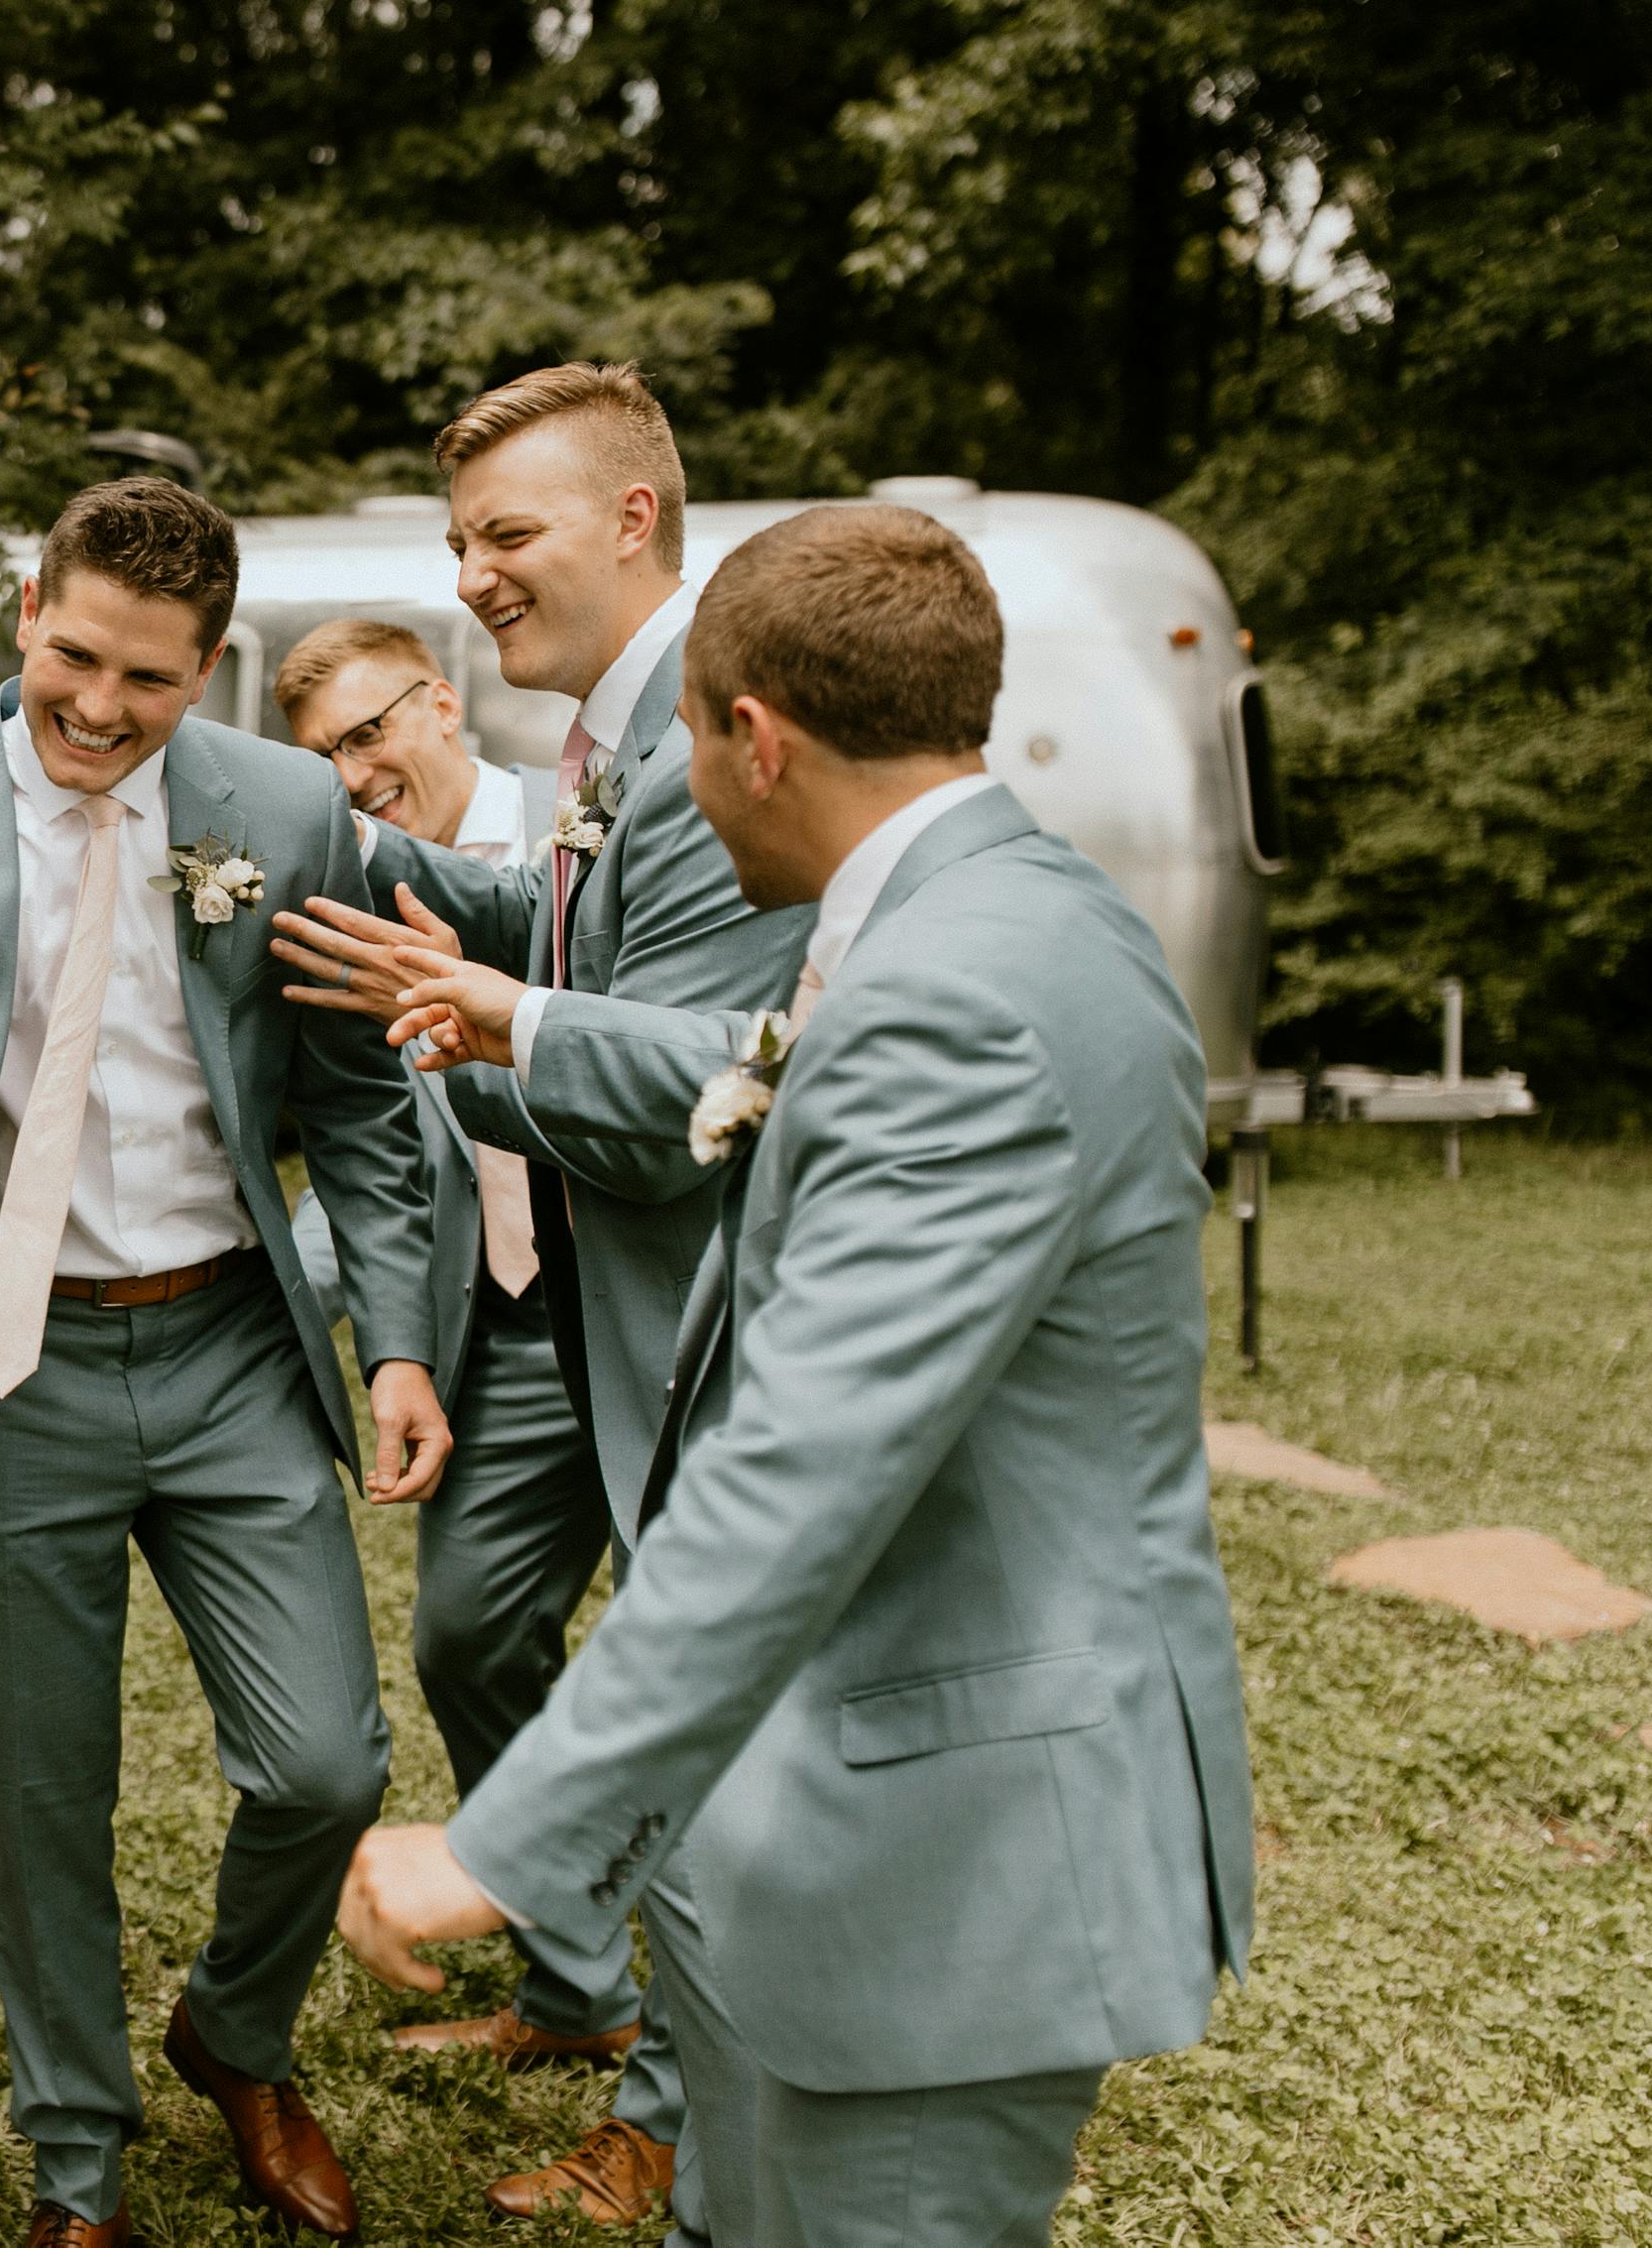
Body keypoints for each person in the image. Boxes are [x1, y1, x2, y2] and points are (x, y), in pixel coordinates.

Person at [337, 502, 1256, 2248]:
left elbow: (809, 1464)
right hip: (827, 1816)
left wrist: (508, 1839)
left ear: (756, 738)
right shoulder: (984, 915)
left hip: (942, 1854)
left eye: (686, 730)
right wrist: (514, 1017)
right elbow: (759, 1067)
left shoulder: (961, 993)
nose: (673, 773)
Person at [0, 478, 448, 2248]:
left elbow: (361, 1104)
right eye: (74, 656)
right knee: (45, 1799)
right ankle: (79, 2169)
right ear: (26, 619)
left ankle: (238, 2032)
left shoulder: (283, 807)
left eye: (148, 679)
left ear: (207, 670)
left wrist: (400, 1342)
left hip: (227, 1341)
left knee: (326, 1768)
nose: (97, 707)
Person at [269, 362, 800, 2233]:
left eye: (511, 536)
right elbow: (566, 933)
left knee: (707, 1735)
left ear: (634, 517)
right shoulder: (609, 737)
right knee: (491, 1642)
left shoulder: (705, 740)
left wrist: (448, 1046)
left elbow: (685, 1100)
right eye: (460, 545)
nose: (478, 576)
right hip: (570, 1322)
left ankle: (684, 2117)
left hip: (709, 1335)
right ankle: (612, 2023)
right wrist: (321, 851)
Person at [271, 622, 684, 2211]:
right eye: (331, 760)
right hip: (504, 1323)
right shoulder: (363, 897)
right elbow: (368, 1162)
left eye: (376, 733)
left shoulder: (584, 838)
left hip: (645, 1309)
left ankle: (670, 2097)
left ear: (442, 702)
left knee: (682, 1664)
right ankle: (583, 1990)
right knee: (465, 1635)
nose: (362, 776)